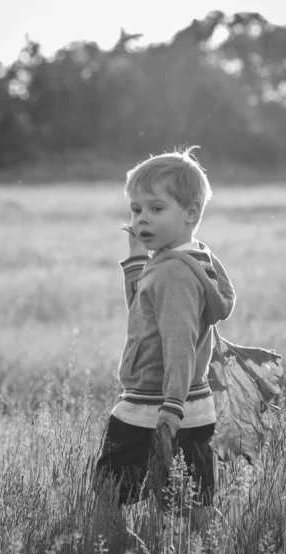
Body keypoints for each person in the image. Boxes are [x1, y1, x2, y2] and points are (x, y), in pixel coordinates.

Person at [93, 147, 236, 523]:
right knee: (189, 506)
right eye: (136, 209)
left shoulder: (173, 273)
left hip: (152, 407)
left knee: (108, 498)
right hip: (193, 406)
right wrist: (138, 260)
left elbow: (179, 342)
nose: (142, 219)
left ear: (190, 213)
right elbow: (144, 310)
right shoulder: (191, 258)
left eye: (156, 209)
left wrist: (171, 405)